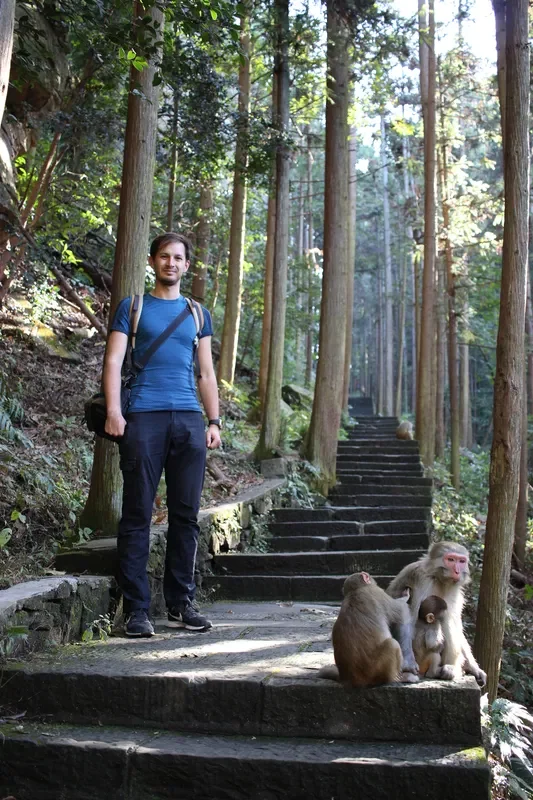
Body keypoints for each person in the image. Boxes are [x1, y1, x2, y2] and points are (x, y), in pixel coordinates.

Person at [103, 232, 221, 637]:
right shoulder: (132, 308)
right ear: (152, 261)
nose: (171, 263)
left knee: (185, 517)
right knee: (137, 513)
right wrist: (115, 411)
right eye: (164, 257)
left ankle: (180, 604)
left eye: (178, 258)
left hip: (188, 419)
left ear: (187, 265)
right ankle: (137, 610)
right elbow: (114, 360)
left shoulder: (198, 313)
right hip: (144, 419)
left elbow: (206, 373)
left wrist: (213, 421)